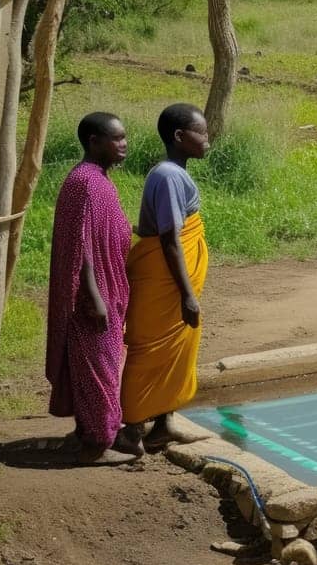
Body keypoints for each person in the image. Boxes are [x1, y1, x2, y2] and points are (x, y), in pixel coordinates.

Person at [46, 113, 137, 465]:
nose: (124, 144)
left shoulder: (98, 181)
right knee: (99, 369)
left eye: (124, 137)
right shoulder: (84, 183)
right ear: (94, 141)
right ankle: (97, 444)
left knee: (97, 366)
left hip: (108, 291)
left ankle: (91, 432)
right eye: (117, 138)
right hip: (94, 297)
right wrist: (95, 296)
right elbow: (80, 245)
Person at [122, 103, 210, 451]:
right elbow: (171, 239)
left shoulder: (172, 174)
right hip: (167, 282)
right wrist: (187, 293)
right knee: (150, 352)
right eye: (201, 132)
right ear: (179, 136)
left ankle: (163, 423)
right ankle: (131, 429)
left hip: (171, 280)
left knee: (174, 350)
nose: (208, 139)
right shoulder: (169, 176)